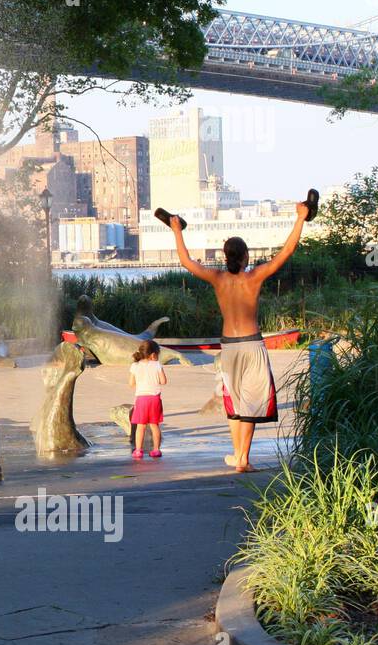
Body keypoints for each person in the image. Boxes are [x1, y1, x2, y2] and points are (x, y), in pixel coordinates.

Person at [170, 201, 309, 472]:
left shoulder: (218, 278)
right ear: (245, 256)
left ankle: (238, 456)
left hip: (230, 348)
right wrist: (300, 218)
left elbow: (185, 261)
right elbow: (287, 252)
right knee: (252, 404)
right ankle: (243, 459)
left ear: (226, 256)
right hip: (251, 345)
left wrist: (177, 230)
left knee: (235, 403)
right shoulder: (254, 277)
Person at [128, 339, 167, 460]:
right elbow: (163, 381)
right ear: (153, 354)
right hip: (155, 398)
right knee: (154, 425)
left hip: (141, 399)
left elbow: (131, 383)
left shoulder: (135, 366)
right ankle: (156, 450)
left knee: (141, 426)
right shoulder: (157, 365)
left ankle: (138, 450)